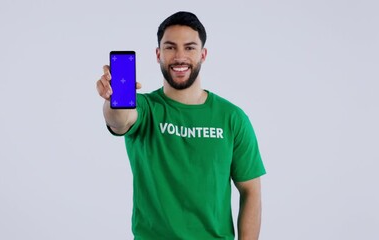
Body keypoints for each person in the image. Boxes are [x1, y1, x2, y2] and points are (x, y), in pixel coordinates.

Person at [96, 11, 266, 240]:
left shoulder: (232, 118)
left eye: (189, 47)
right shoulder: (146, 109)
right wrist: (113, 100)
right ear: (158, 54)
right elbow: (120, 119)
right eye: (170, 47)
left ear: (203, 54)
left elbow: (251, 191)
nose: (179, 56)